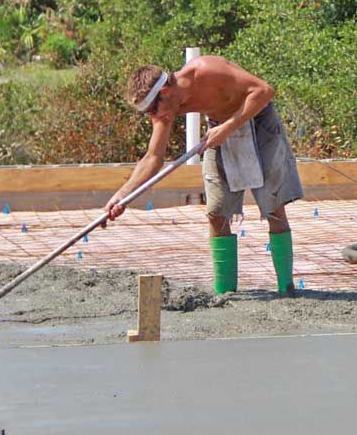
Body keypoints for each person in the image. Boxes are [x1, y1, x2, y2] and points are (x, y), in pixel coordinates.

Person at [104, 56, 304, 296]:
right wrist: (122, 196)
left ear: (165, 91)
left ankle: (287, 289)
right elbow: (153, 157)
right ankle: (225, 293)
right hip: (219, 128)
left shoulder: (208, 71)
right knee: (216, 213)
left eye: (152, 110)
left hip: (257, 118)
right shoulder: (165, 110)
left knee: (273, 207)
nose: (153, 118)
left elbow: (264, 90)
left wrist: (228, 127)